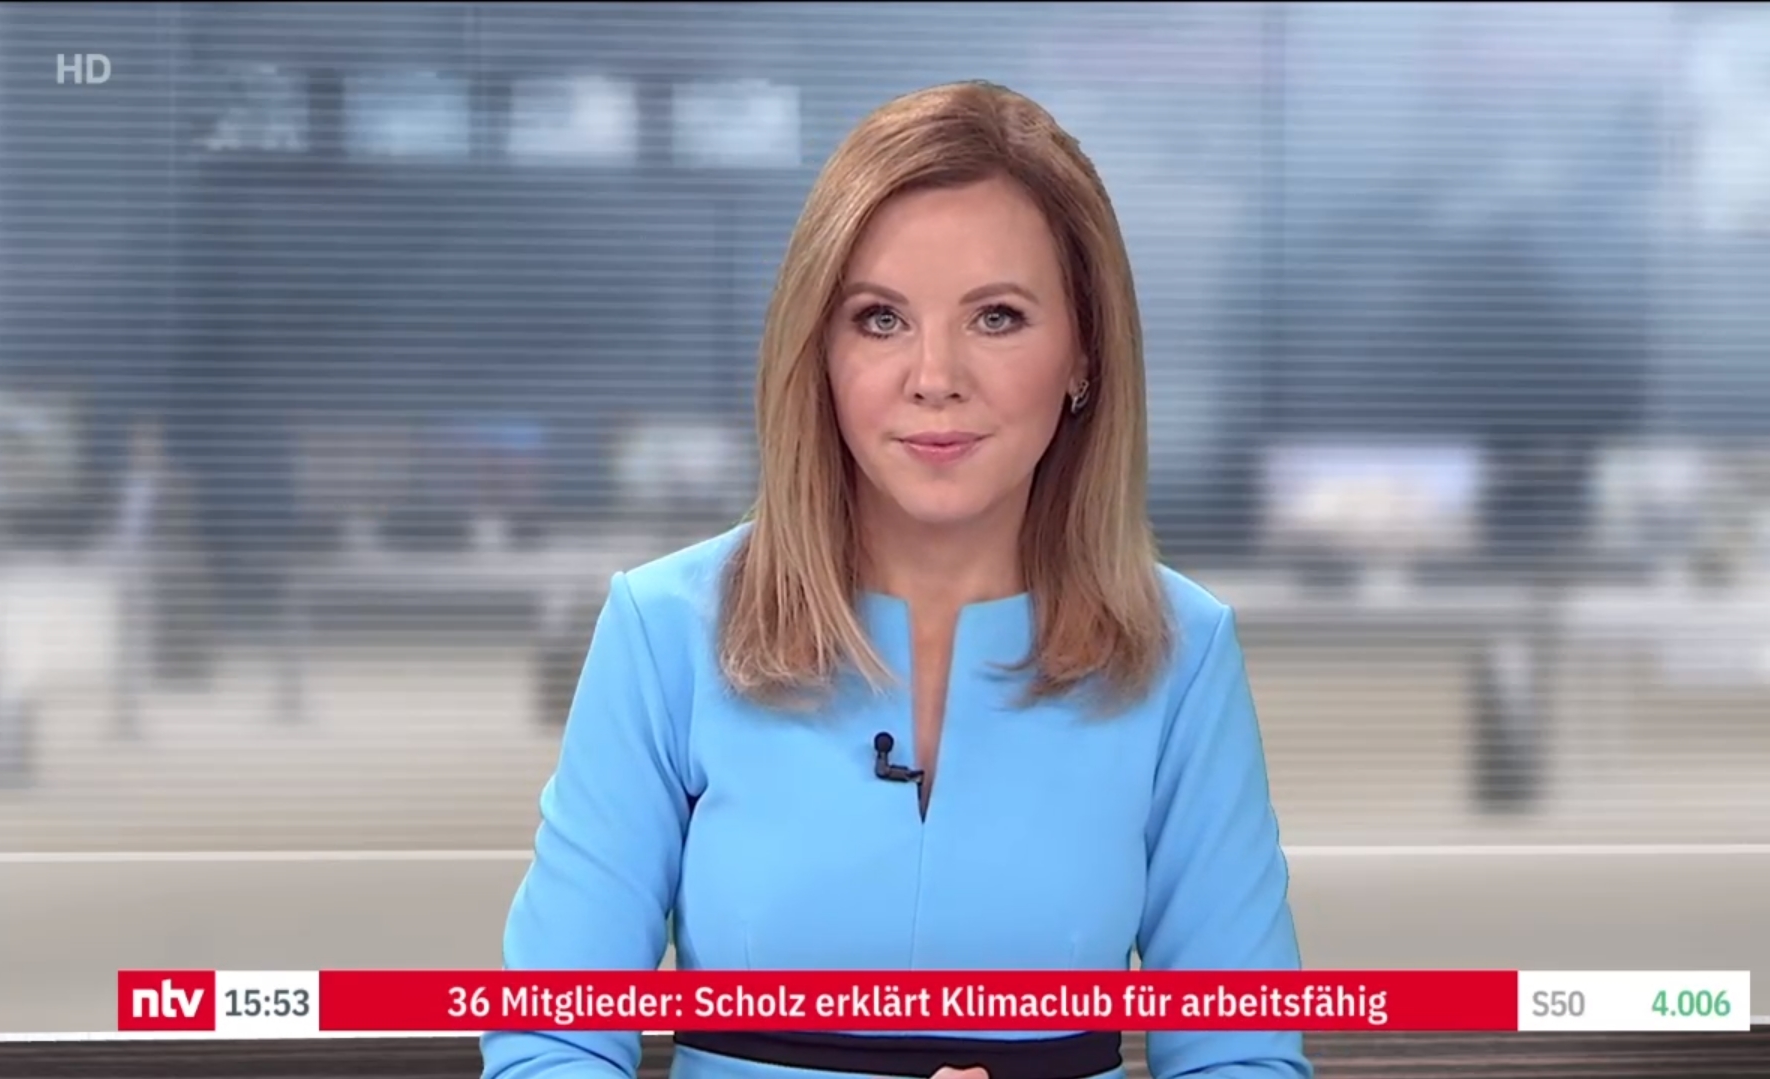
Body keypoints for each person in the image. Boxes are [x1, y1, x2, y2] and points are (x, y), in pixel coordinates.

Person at [481, 81, 1311, 1079]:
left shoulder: (1182, 654)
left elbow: (1240, 1054)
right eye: (880, 319)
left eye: (996, 316)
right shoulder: (664, 632)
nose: (934, 375)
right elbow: (553, 1039)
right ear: (820, 352)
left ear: (1084, 353)